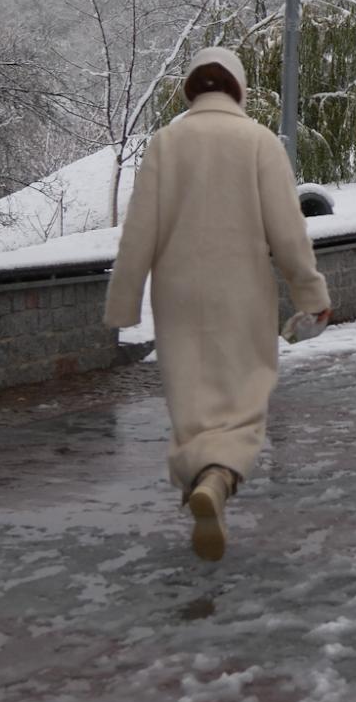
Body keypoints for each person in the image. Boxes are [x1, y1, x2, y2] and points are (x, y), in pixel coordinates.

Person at [103, 47, 331, 561]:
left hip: (177, 292)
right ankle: (218, 479)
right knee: (241, 400)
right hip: (241, 291)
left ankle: (199, 480)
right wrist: (310, 294)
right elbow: (288, 234)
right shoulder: (259, 142)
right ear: (238, 88)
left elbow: (138, 232)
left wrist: (123, 305)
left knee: (191, 403)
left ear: (191, 89)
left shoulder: (166, 143)